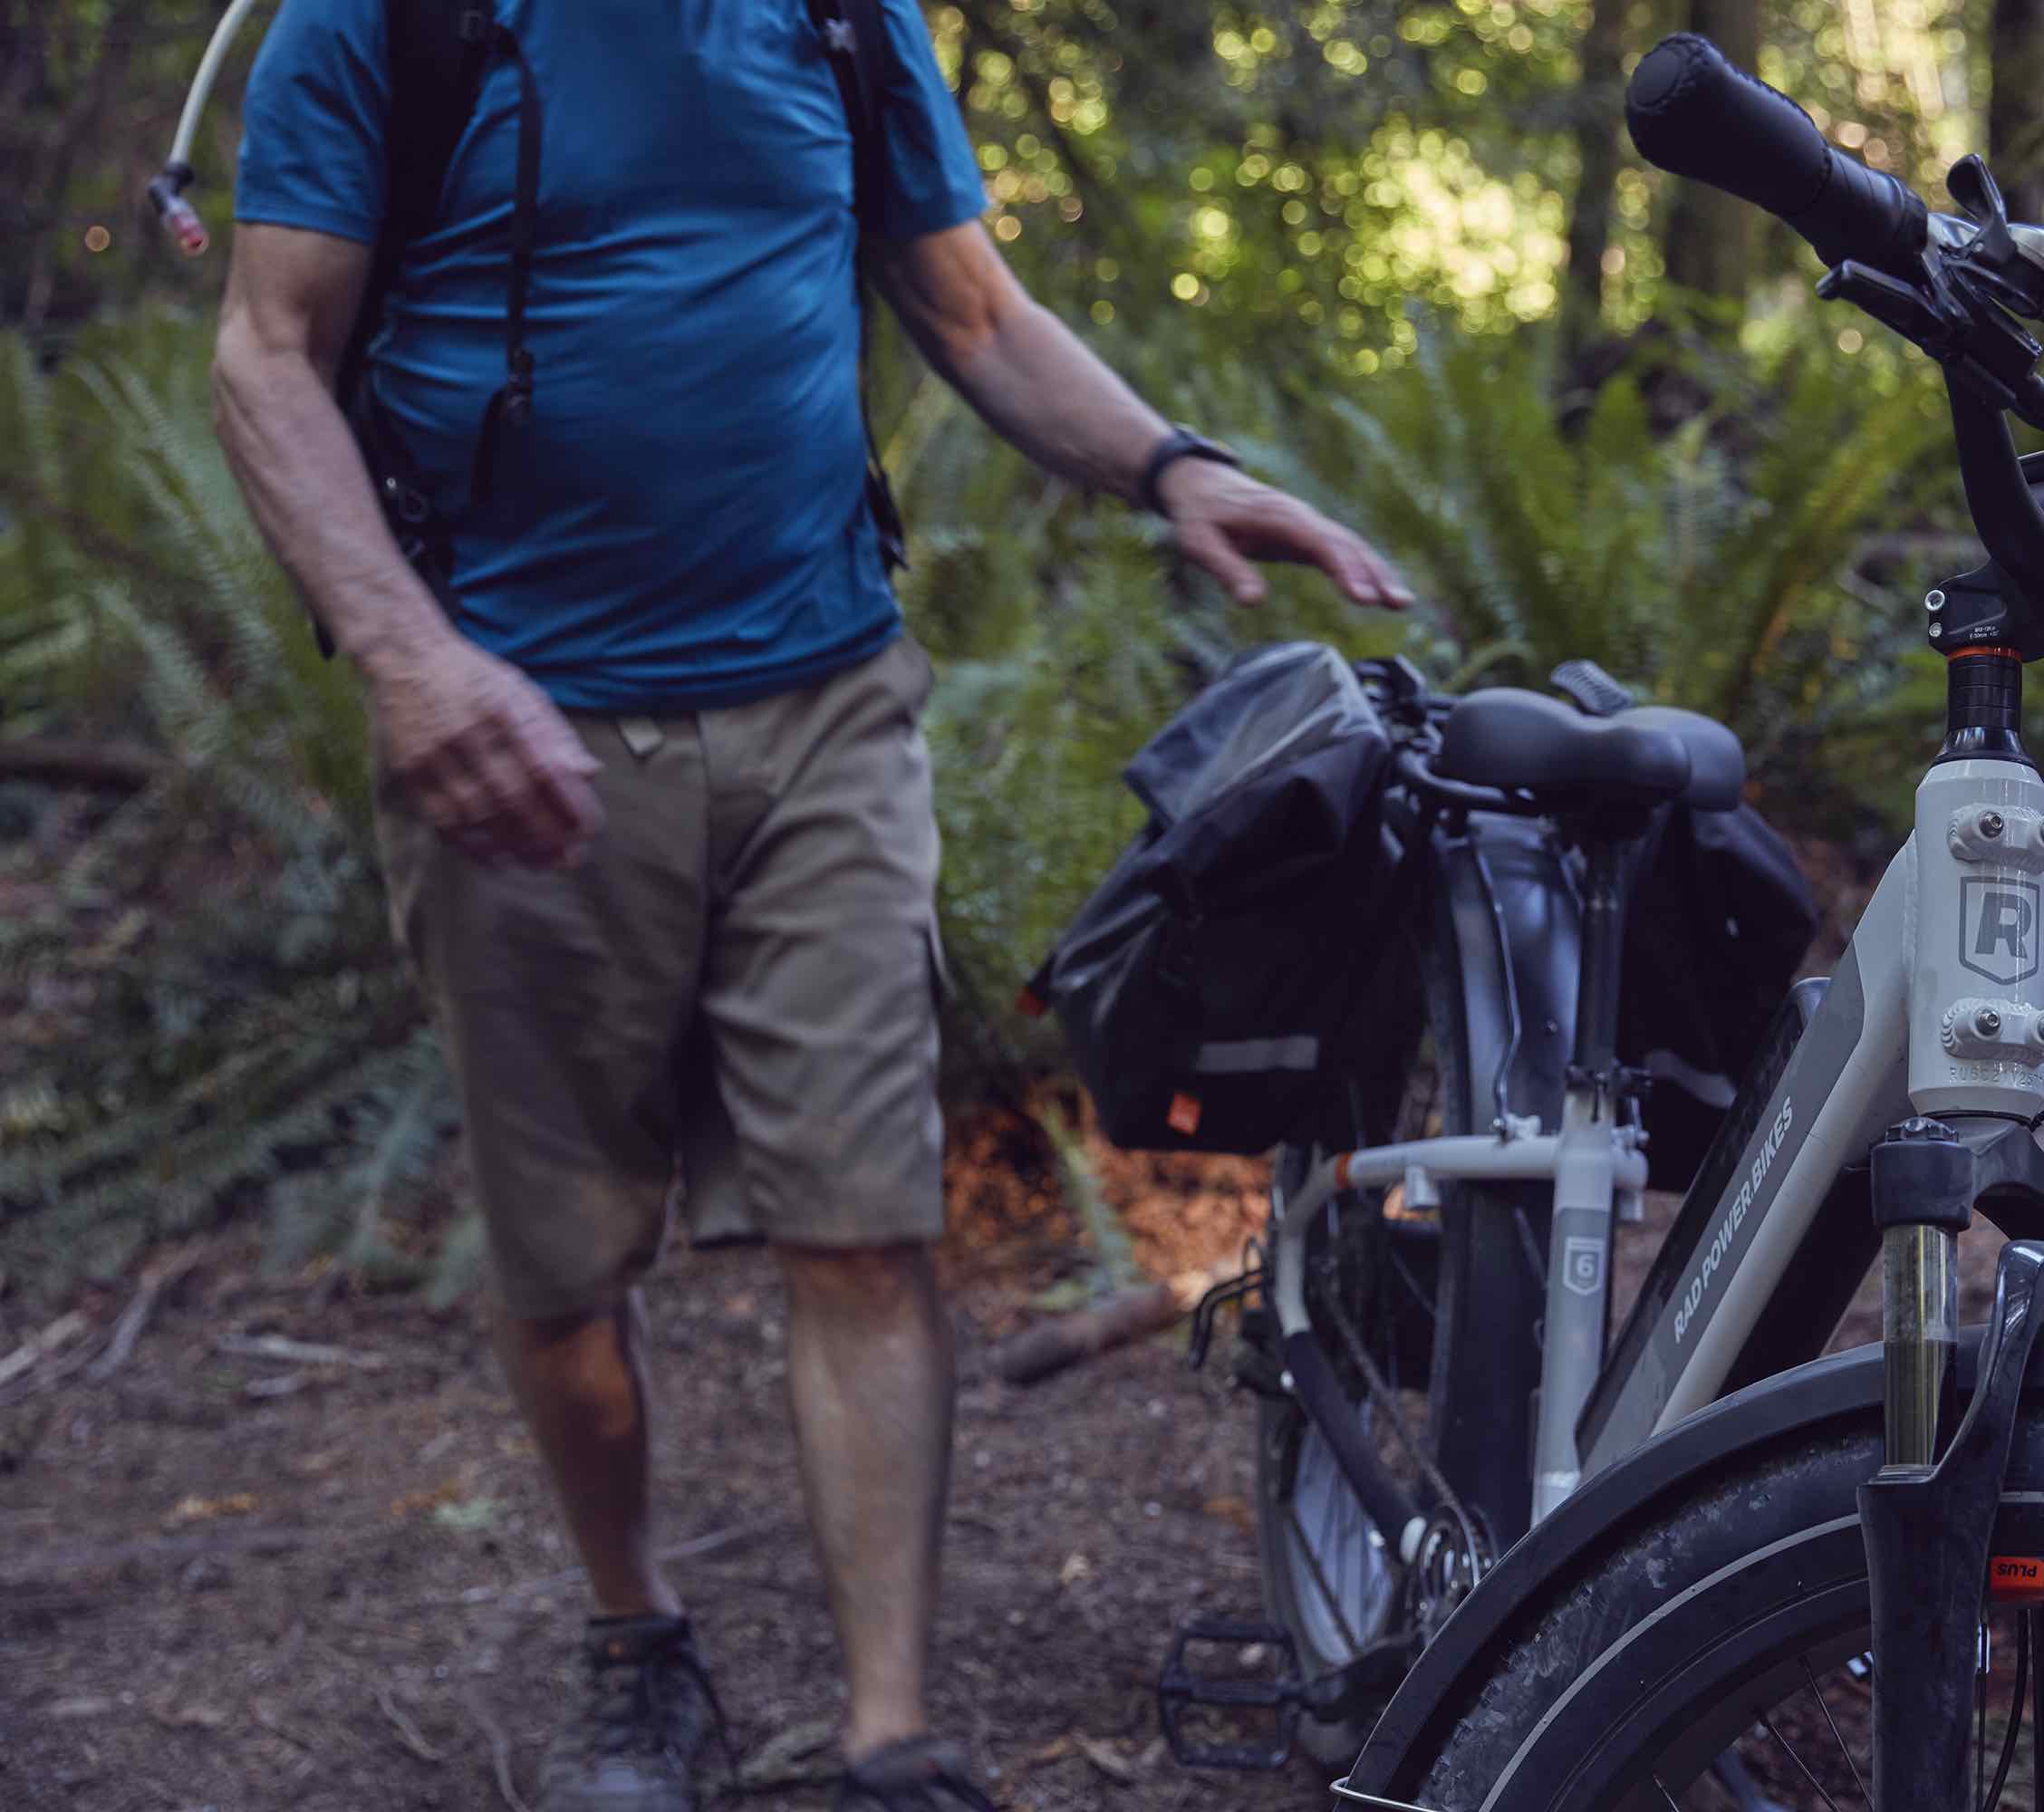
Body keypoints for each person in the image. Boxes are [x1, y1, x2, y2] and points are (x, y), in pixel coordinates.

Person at [212, 4, 1412, 1808]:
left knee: (861, 1220)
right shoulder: (389, 22)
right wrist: (406, 661)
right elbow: (266, 354)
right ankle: (636, 1642)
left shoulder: (843, 17)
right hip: (520, 725)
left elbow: (974, 313)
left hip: (830, 702)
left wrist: (1176, 464)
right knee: (563, 1265)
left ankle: (889, 1735)